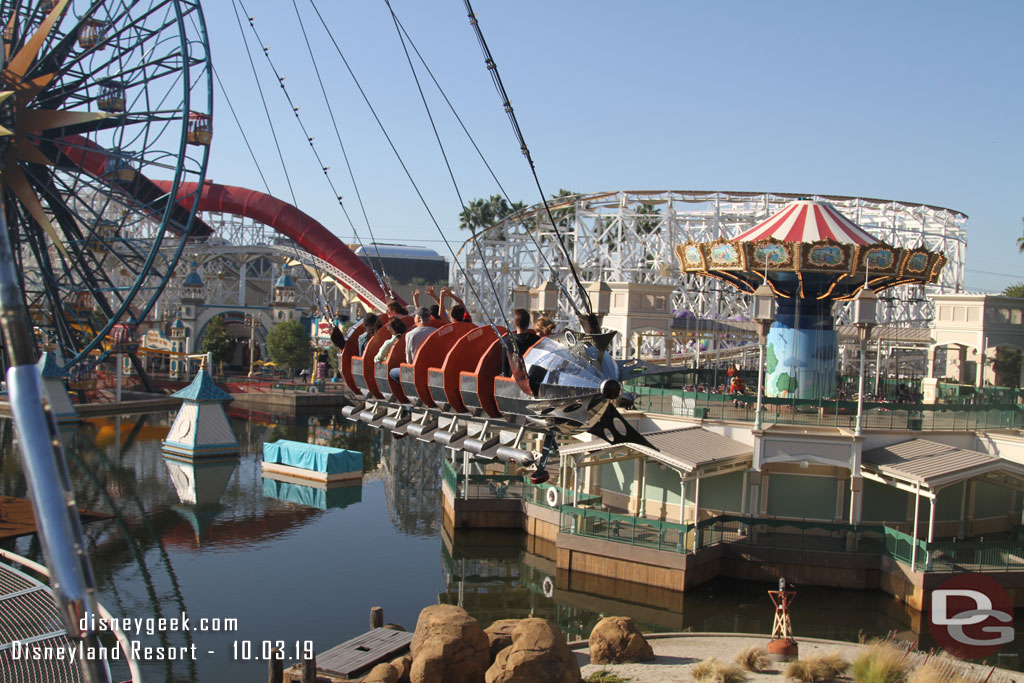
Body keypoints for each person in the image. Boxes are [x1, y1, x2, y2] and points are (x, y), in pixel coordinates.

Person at [389, 307, 437, 382]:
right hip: (434, 369)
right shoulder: (436, 332)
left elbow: (408, 359)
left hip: (416, 370)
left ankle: (405, 391)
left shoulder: (410, 335)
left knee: (392, 372)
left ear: (418, 319)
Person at [501, 308, 540, 376]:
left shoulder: (507, 342)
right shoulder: (537, 340)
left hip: (514, 380)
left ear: (515, 323)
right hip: (533, 379)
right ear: (528, 323)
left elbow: (504, 369)